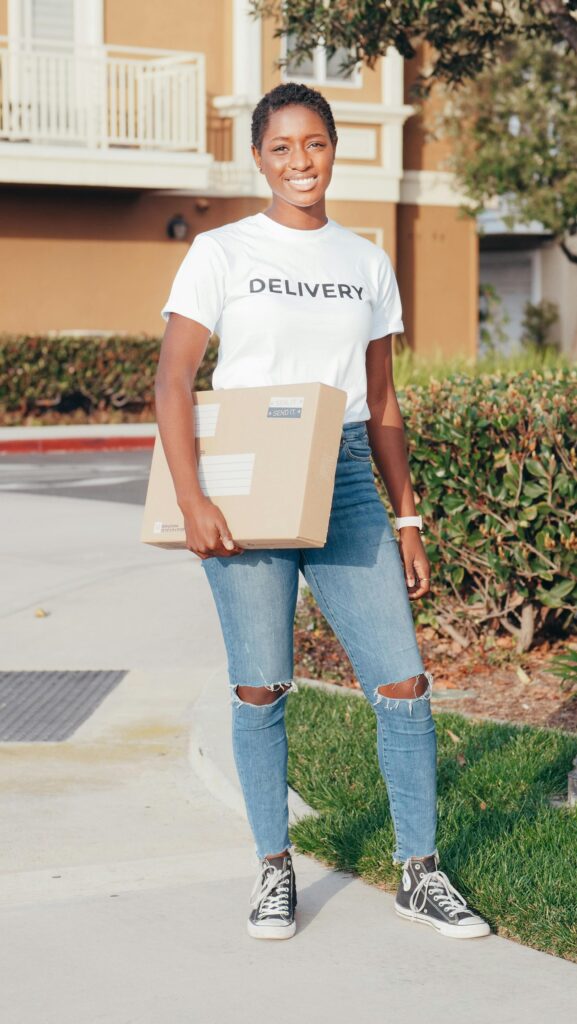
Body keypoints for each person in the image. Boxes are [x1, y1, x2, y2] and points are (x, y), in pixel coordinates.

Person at [154, 82, 490, 943]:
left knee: (403, 680)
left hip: (341, 475)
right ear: (257, 157)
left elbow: (381, 402)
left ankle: (420, 871)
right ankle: (273, 869)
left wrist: (406, 518)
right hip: (242, 480)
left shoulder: (365, 261)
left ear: (333, 150)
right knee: (260, 683)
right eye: (280, 148)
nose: (299, 162)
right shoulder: (221, 251)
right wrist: (192, 498)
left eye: (313, 145)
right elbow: (173, 378)